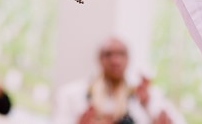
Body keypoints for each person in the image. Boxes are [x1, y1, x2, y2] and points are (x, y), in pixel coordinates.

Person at [52, 37, 186, 124]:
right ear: (99, 59)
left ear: (128, 59)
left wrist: (148, 104)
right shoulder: (71, 94)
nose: (115, 61)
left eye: (121, 54)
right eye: (108, 54)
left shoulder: (145, 96)